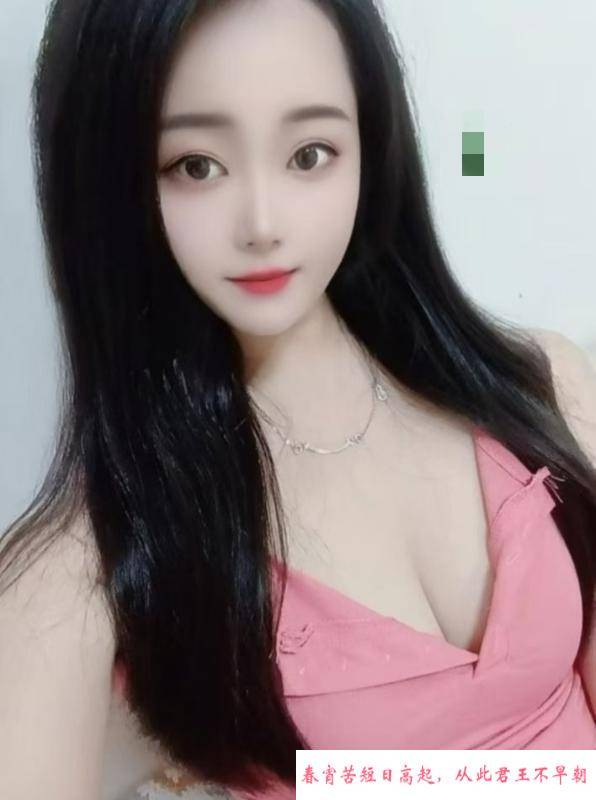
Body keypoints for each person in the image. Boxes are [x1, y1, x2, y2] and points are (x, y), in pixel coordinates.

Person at [1, 0, 595, 798]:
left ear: (369, 148)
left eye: (309, 154)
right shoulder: (74, 568)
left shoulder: (542, 385)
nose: (263, 223)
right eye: (196, 165)